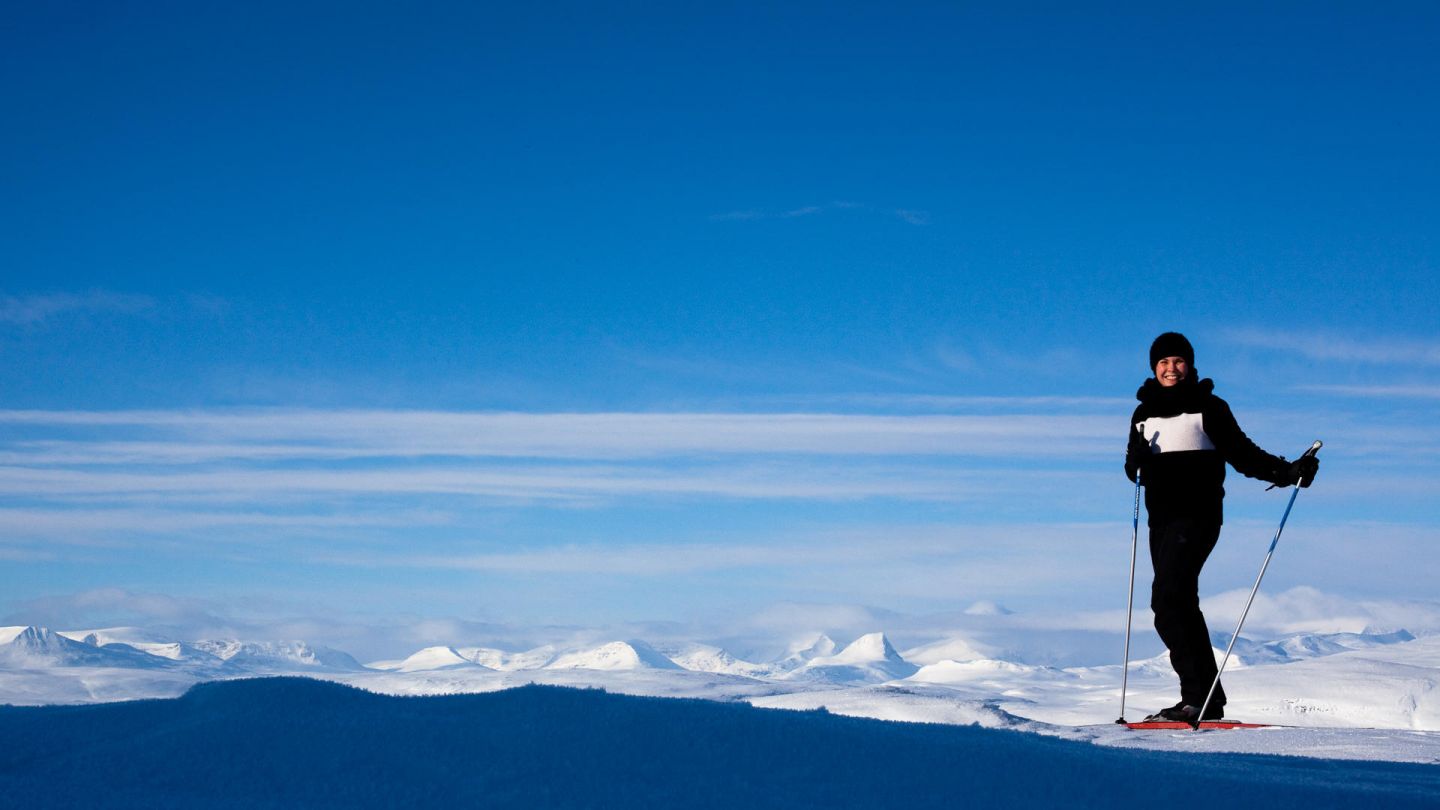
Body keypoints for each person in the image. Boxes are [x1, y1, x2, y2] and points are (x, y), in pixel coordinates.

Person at [1124, 332, 1318, 723]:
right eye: (1163, 362)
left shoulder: (1209, 407)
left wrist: (1287, 472)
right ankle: (1202, 696)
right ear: (1153, 368)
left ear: (1190, 366)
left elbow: (1242, 454)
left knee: (1171, 595)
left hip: (1198, 515)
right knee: (1168, 604)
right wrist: (1138, 462)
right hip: (1160, 519)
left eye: (1178, 361)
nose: (1170, 368)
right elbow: (1133, 469)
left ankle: (1201, 698)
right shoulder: (1142, 414)